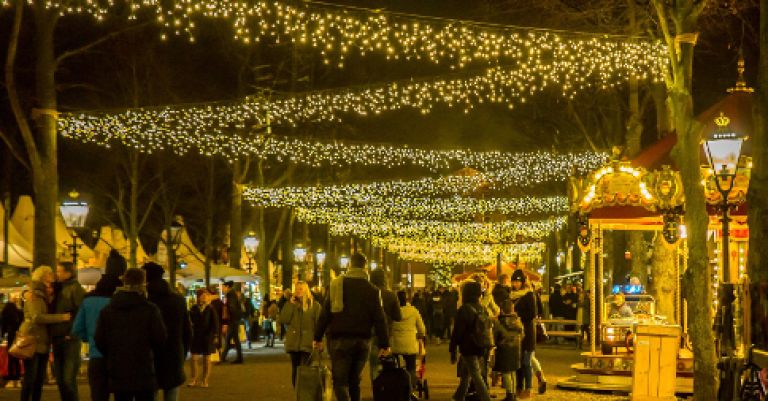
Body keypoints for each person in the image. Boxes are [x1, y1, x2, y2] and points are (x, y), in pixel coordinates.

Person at [313, 253, 390, 401]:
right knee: (355, 381)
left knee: (340, 382)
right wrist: (384, 344)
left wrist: (317, 337)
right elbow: (380, 319)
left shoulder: (337, 284)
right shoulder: (373, 290)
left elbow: (325, 313)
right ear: (364, 267)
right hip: (363, 341)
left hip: (340, 340)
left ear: (349, 265)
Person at [95, 268, 167, 401]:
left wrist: (112, 354)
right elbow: (160, 338)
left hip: (118, 369)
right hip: (144, 368)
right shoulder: (150, 310)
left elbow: (99, 339)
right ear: (143, 283)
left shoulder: (108, 310)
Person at [20, 266, 71, 401]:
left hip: (42, 341)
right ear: (43, 277)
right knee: (31, 377)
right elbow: (37, 317)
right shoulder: (35, 295)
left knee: (38, 378)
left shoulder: (41, 294)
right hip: (34, 340)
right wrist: (61, 317)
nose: (53, 275)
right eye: (49, 273)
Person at [144, 263, 192, 401]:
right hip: (174, 353)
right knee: (171, 393)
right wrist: (183, 351)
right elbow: (187, 331)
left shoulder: (146, 301)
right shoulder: (178, 300)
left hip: (151, 355)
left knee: (149, 393)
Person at [71, 274, 121, 401]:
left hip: (96, 355)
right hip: (118, 356)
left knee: (98, 395)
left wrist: (87, 338)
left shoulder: (87, 302)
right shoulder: (118, 302)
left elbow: (77, 328)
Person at [50, 261, 86, 401]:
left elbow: (79, 313)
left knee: (67, 378)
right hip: (58, 336)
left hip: (68, 338)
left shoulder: (75, 289)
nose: (57, 274)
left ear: (68, 273)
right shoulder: (59, 288)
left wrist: (72, 333)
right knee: (60, 378)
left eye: (59, 271)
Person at [450, 280, 491, 401]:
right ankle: (459, 396)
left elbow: (457, 331)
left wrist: (452, 349)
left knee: (475, 374)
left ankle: (485, 397)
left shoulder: (464, 309)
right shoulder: (482, 308)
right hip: (482, 345)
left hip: (469, 346)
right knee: (467, 373)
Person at [278, 281, 321, 387]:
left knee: (306, 370)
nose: (298, 291)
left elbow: (320, 325)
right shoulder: (291, 304)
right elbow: (284, 319)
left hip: (308, 343)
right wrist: (290, 304)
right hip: (294, 343)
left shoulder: (315, 306)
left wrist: (319, 340)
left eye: (301, 289)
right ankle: (298, 394)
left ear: (306, 291)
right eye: (296, 289)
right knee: (296, 370)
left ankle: (306, 394)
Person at [368, 269, 402, 383]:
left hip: (371, 333)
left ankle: (376, 388)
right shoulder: (391, 295)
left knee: (374, 364)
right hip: (387, 333)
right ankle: (386, 388)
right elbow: (398, 316)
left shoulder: (368, 293)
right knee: (387, 362)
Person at [390, 290, 426, 391]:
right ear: (407, 299)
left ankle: (397, 387)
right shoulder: (413, 311)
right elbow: (422, 329)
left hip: (395, 345)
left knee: (395, 367)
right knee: (411, 367)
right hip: (410, 344)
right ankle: (411, 387)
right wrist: (420, 335)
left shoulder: (392, 312)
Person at [510, 269, 537, 399]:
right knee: (518, 362)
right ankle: (518, 387)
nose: (515, 284)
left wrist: (518, 315)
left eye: (517, 281)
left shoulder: (529, 295)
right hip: (516, 333)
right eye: (513, 281)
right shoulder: (511, 295)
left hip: (527, 332)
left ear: (522, 282)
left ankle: (529, 388)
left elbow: (532, 314)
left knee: (526, 362)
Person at [493, 300, 523, 401]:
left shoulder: (500, 322)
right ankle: (513, 393)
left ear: (502, 310)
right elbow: (522, 335)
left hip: (504, 348)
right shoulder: (518, 321)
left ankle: (509, 394)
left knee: (506, 372)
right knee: (513, 371)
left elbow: (495, 335)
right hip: (516, 348)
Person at [189, 288, 219, 388]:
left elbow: (215, 323)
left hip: (207, 336)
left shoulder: (210, 308)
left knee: (207, 359)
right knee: (193, 358)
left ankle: (204, 380)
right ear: (198, 297)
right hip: (196, 336)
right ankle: (193, 378)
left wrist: (214, 335)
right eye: (202, 295)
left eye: (206, 295)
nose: (204, 297)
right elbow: (190, 321)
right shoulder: (193, 308)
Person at [2, 295, 24, 388]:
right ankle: (18, 373)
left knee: (11, 355)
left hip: (10, 335)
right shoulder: (19, 312)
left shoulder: (5, 312)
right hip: (18, 335)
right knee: (17, 355)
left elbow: (2, 325)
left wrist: (2, 335)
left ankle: (11, 374)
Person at [221, 281, 244, 363]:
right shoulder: (232, 293)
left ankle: (237, 358)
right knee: (232, 339)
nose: (222, 289)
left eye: (223, 287)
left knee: (232, 339)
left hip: (233, 320)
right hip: (234, 319)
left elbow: (232, 307)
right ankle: (225, 357)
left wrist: (230, 318)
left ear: (227, 286)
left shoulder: (230, 294)